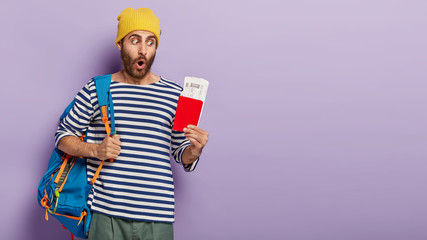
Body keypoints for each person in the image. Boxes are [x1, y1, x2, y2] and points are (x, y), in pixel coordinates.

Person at [55, 7, 209, 240]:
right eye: (134, 40)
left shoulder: (176, 95)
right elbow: (63, 137)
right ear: (120, 44)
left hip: (157, 218)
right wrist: (96, 150)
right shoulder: (97, 89)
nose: (142, 50)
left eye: (150, 42)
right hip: (105, 217)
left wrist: (195, 150)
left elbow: (181, 153)